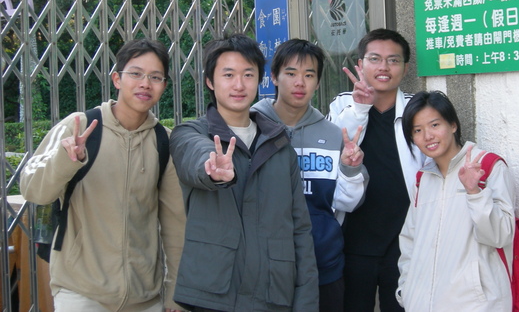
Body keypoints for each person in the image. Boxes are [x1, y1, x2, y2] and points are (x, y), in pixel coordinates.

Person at [21, 38, 186, 312]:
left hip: (145, 297)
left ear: (164, 86)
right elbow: (32, 190)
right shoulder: (78, 127)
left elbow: (175, 224)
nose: (145, 83)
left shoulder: (164, 142)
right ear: (117, 79)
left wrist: (173, 294)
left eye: (155, 77)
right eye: (135, 73)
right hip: (82, 293)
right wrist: (66, 159)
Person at [169, 34, 319, 311]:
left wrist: (307, 302)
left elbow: (300, 229)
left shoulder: (279, 144)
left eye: (248, 74)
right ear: (210, 81)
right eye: (228, 75)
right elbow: (194, 155)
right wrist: (211, 168)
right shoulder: (190, 133)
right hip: (213, 295)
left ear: (259, 80)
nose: (239, 85)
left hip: (273, 295)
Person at [252, 39, 368, 312]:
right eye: (290, 73)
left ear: (317, 82)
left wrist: (350, 169)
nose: (299, 83)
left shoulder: (333, 134)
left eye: (309, 75)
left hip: (322, 266)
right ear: (273, 77)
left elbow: (348, 203)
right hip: (260, 267)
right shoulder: (251, 126)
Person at [327, 28, 425, 311]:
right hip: (354, 240)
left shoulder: (417, 111)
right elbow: (334, 143)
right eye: (375, 59)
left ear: (405, 68)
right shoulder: (342, 104)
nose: (384, 67)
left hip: (405, 241)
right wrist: (360, 107)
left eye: (393, 60)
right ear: (360, 65)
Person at [396, 90, 515, 311]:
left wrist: (475, 192)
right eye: (417, 130)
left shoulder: (487, 167)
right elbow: (409, 243)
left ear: (453, 125)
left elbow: (501, 236)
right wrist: (406, 290)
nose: (428, 136)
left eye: (434, 125)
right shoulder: (423, 180)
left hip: (474, 305)